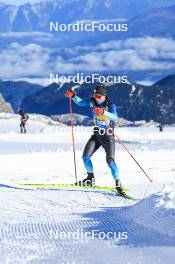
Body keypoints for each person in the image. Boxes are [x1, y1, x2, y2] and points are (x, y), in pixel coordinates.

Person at [66, 84, 126, 195]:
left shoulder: (110, 104)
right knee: (85, 157)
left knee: (110, 161)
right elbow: (80, 102)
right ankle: (90, 179)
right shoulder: (91, 101)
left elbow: (115, 117)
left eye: (98, 96)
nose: (96, 98)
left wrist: (103, 112)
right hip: (96, 134)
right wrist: (73, 96)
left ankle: (118, 184)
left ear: (104, 96)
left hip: (108, 136)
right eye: (94, 96)